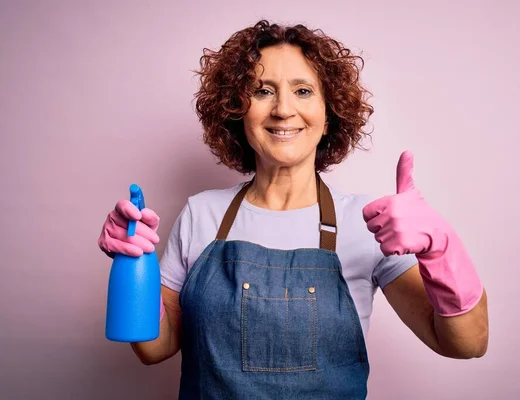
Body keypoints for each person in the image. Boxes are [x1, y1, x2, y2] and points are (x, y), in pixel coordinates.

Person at [98, 19, 488, 399]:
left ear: (329, 111)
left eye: (303, 91)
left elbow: (466, 343)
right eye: (263, 90)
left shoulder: (366, 222)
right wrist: (134, 265)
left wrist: (442, 251)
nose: (283, 109)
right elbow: (155, 349)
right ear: (237, 108)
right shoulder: (202, 214)